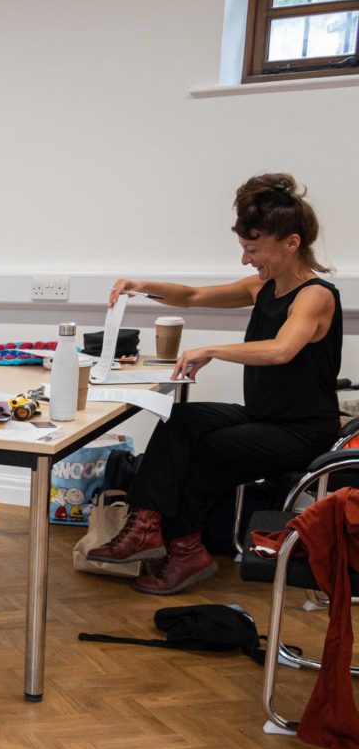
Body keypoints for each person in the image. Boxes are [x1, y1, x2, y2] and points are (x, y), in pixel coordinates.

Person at [90, 173, 342, 594]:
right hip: (265, 418)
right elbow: (191, 296)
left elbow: (281, 349)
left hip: (304, 432)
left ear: (292, 243)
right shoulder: (266, 286)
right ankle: (147, 527)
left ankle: (186, 550)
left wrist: (211, 350)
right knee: (181, 419)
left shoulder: (315, 295)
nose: (247, 260)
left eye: (253, 250)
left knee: (208, 450)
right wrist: (142, 285)